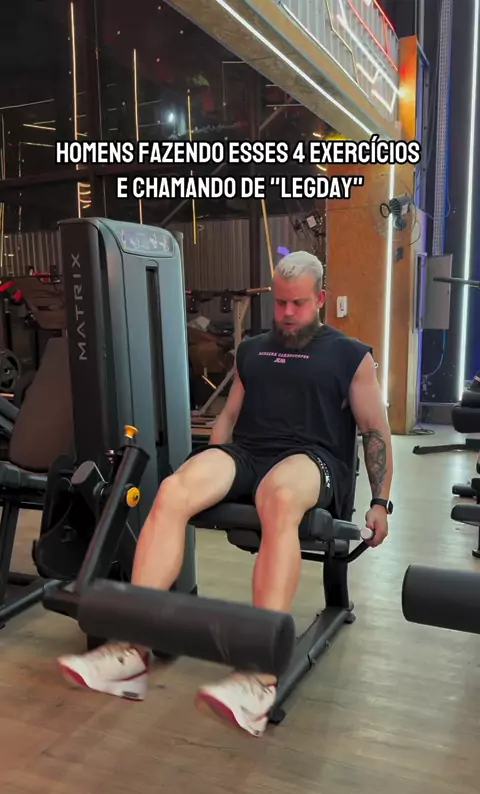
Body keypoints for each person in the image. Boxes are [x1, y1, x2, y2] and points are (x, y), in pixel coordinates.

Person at [58, 251, 394, 737]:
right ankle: (131, 650)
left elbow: (375, 430)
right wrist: (212, 466)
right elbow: (230, 417)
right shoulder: (252, 350)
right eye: (280, 303)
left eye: (298, 304)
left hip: (313, 460)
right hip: (249, 454)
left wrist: (380, 502)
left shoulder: (350, 355)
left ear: (320, 299)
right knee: (174, 489)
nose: (287, 314)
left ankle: (258, 675)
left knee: (278, 495)